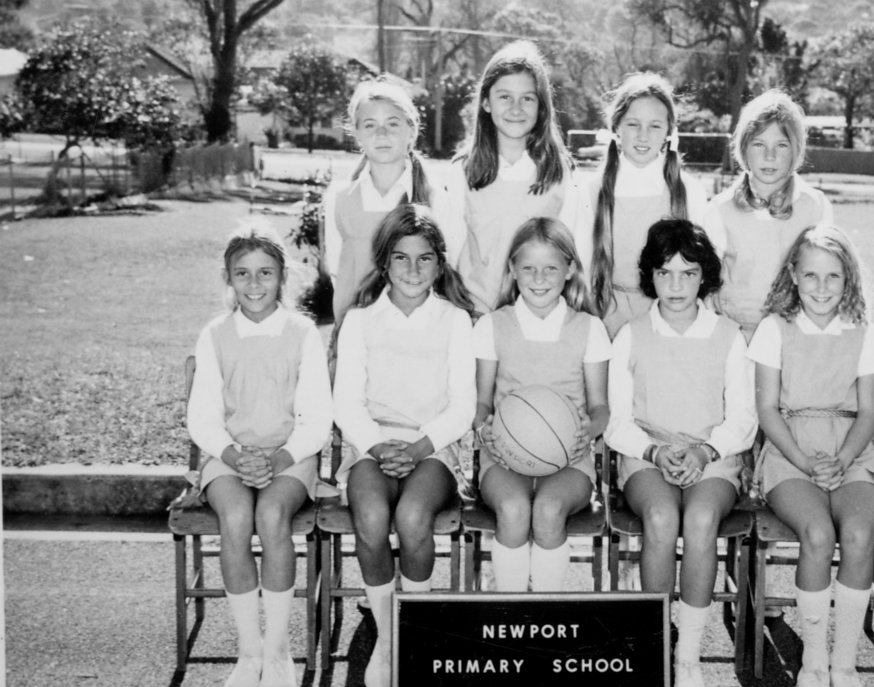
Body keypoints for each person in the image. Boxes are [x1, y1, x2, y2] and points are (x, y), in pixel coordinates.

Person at [604, 219, 756, 686]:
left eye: (688, 273)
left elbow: (744, 420)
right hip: (647, 455)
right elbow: (616, 422)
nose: (676, 284)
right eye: (665, 272)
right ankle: (656, 640)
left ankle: (688, 652)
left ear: (704, 277)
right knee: (663, 519)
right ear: (649, 275)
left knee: (701, 520)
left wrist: (705, 452)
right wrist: (652, 452)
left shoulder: (729, 335)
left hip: (713, 456)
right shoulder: (630, 334)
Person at [331, 204, 476, 687]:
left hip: (433, 448)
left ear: (440, 263)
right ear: (383, 263)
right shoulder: (359, 321)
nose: (412, 270)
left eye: (424, 259)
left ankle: (414, 627)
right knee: (371, 517)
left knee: (414, 518)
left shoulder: (456, 321)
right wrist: (375, 447)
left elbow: (463, 407)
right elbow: (346, 403)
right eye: (400, 258)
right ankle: (388, 636)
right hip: (370, 444)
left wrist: (416, 450)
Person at [746, 224, 874, 687]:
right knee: (816, 532)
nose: (821, 288)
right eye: (810, 276)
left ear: (848, 279)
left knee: (855, 534)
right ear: (793, 275)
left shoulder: (864, 333)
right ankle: (813, 660)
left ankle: (843, 662)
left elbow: (870, 411)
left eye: (833, 277)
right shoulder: (775, 329)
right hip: (790, 453)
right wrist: (808, 462)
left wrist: (845, 458)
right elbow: (767, 410)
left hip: (852, 452)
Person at [187, 225, 334, 687]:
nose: (254, 284)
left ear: (282, 277)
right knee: (235, 517)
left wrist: (278, 459)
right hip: (227, 456)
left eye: (265, 273)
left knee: (271, 516)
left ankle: (278, 653)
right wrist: (233, 455)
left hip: (291, 457)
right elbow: (202, 418)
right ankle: (249, 652)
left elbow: (316, 420)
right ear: (228, 279)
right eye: (243, 274)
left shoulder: (302, 332)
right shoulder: (215, 334)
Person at [472, 217, 611, 592]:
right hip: (503, 457)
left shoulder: (588, 328)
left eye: (551, 268)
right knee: (515, 510)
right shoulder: (492, 325)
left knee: (549, 511)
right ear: (512, 270)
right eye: (528, 268)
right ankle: (510, 606)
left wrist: (589, 431)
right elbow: (482, 404)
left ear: (569, 270)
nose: (539, 278)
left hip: (569, 459)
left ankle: (545, 607)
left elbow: (600, 408)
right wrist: (484, 430)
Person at [437, 40, 586, 315]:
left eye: (527, 98)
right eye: (504, 97)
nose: (516, 108)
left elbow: (574, 255)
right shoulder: (462, 171)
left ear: (541, 107)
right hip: (476, 315)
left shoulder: (560, 173)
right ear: (485, 102)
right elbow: (449, 254)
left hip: (539, 317)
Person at [582, 73, 709, 336]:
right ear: (616, 126)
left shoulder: (689, 191)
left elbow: (701, 269)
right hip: (606, 317)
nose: (643, 136)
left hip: (669, 319)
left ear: (668, 131)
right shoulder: (591, 191)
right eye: (632, 124)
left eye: (654, 126)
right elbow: (581, 264)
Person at [703, 89, 833, 339]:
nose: (769, 156)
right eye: (759, 144)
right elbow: (707, 283)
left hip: (792, 334)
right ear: (744, 147)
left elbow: (823, 273)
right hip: (735, 335)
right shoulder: (720, 209)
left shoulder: (815, 206)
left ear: (796, 149)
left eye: (781, 145)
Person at [323, 80, 435, 326]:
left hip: (419, 336)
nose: (381, 134)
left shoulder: (435, 200)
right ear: (357, 134)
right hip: (356, 339)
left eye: (392, 124)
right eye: (370, 125)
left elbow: (446, 274)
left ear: (411, 130)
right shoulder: (340, 198)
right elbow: (337, 273)